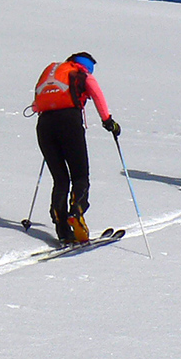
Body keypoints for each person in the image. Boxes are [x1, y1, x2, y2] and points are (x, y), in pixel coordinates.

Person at [32, 52, 119, 244]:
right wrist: (108, 122)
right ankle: (77, 210)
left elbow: (36, 106)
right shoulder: (81, 74)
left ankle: (62, 228)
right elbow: (97, 95)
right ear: (85, 66)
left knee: (60, 180)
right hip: (69, 122)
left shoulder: (53, 75)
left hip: (44, 125)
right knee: (80, 175)